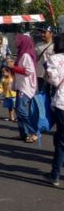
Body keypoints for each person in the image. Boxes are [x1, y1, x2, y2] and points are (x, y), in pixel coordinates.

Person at [8, 34, 39, 143]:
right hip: (21, 85)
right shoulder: (22, 54)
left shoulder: (25, 55)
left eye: (18, 40)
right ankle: (23, 133)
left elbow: (28, 71)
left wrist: (13, 67)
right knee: (18, 110)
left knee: (21, 110)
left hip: (25, 87)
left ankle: (33, 132)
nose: (16, 42)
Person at [43, 33, 64, 187]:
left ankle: (55, 174)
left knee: (61, 141)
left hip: (61, 102)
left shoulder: (54, 59)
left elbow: (54, 80)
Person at [36, 26, 55, 95]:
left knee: (53, 95)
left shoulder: (56, 45)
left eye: (44, 32)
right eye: (41, 32)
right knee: (41, 96)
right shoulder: (38, 45)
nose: (42, 34)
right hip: (40, 75)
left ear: (51, 33)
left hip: (53, 76)